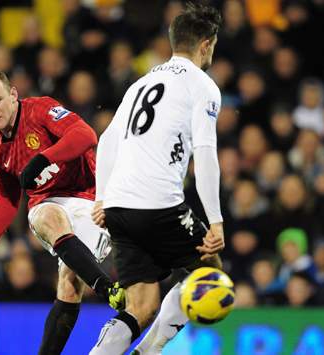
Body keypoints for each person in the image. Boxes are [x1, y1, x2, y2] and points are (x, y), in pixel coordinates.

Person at [90, 4, 225, 354]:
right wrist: (215, 221)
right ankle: (149, 350)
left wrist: (102, 199)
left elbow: (106, 140)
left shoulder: (142, 82)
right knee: (209, 271)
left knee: (141, 305)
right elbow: (206, 153)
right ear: (206, 45)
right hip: (158, 203)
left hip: (118, 205)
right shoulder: (203, 86)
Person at [0, 69, 124, 355]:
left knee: (69, 284)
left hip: (89, 199)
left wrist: (44, 157)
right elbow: (9, 196)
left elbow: (85, 134)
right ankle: (108, 289)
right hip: (45, 204)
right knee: (48, 217)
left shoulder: (41, 110)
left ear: (13, 95)